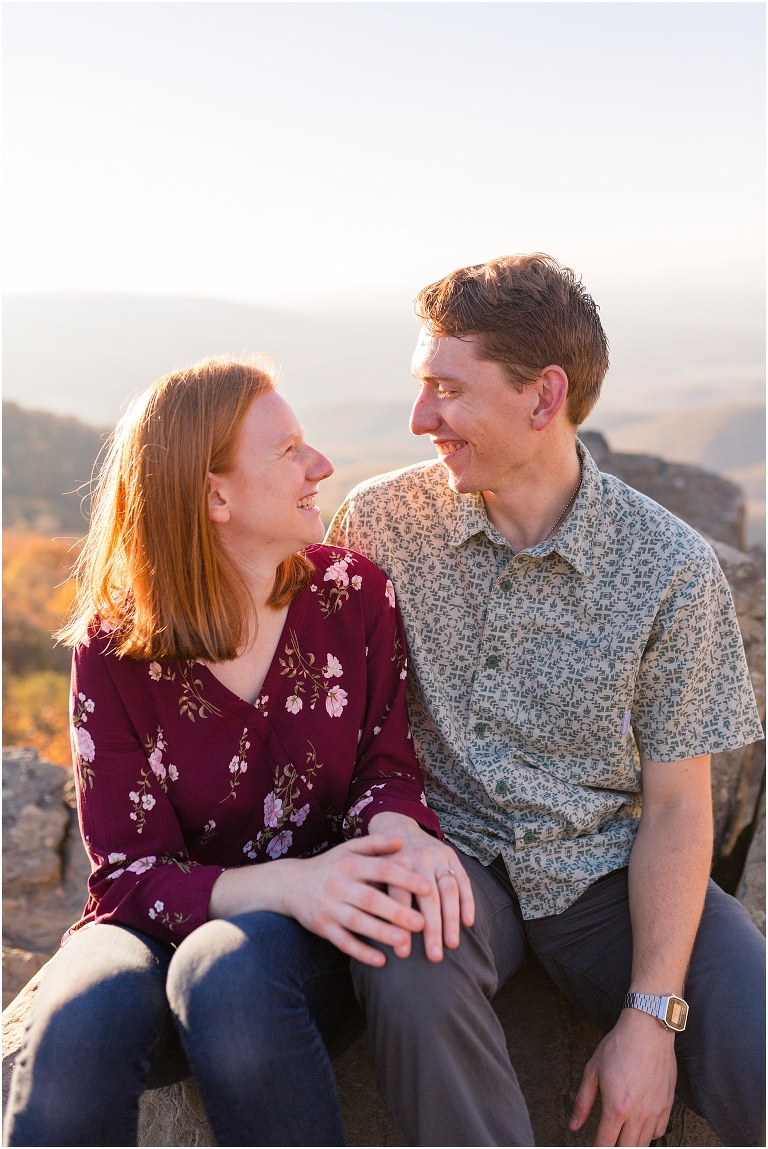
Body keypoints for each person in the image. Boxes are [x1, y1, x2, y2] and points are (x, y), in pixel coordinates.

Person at [326, 254, 766, 1148]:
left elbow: (681, 808)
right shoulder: (377, 524)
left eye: (447, 389)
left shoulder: (671, 568)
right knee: (406, 952)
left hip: (604, 870)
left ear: (543, 396)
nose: (420, 419)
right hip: (444, 852)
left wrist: (650, 1018)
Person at [3, 356, 471, 1148]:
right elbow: (126, 872)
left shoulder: (352, 595)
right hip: (154, 927)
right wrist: (285, 880)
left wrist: (404, 834)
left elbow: (384, 770)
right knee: (77, 1020)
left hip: (297, 946)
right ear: (214, 494)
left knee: (230, 978)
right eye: (288, 450)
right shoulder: (114, 650)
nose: (321, 465)